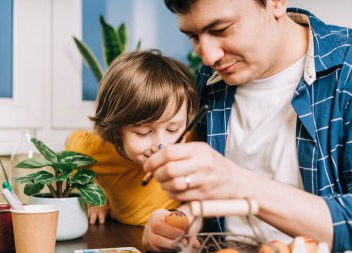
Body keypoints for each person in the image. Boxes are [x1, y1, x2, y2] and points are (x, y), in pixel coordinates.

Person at [142, 0, 352, 252]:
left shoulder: (347, 72)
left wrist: (234, 181)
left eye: (221, 29)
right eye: (193, 36)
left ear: (276, 3)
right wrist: (182, 220)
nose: (208, 57)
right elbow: (216, 212)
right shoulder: (212, 80)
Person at [65, 49, 199, 226]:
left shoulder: (192, 141)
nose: (161, 145)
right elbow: (71, 145)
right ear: (115, 128)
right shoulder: (95, 148)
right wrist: (96, 199)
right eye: (143, 132)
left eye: (173, 129)